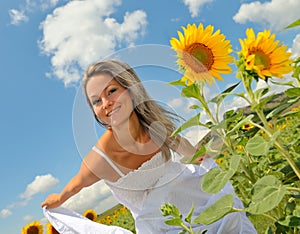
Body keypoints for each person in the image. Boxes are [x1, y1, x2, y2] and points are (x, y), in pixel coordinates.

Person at [41, 59, 257, 233]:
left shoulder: (155, 127)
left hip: (193, 198)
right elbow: (78, 184)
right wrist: (59, 199)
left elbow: (191, 152)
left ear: (131, 90)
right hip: (159, 226)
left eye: (112, 91)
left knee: (230, 217)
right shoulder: (101, 157)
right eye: (96, 101)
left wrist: (210, 161)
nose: (106, 104)